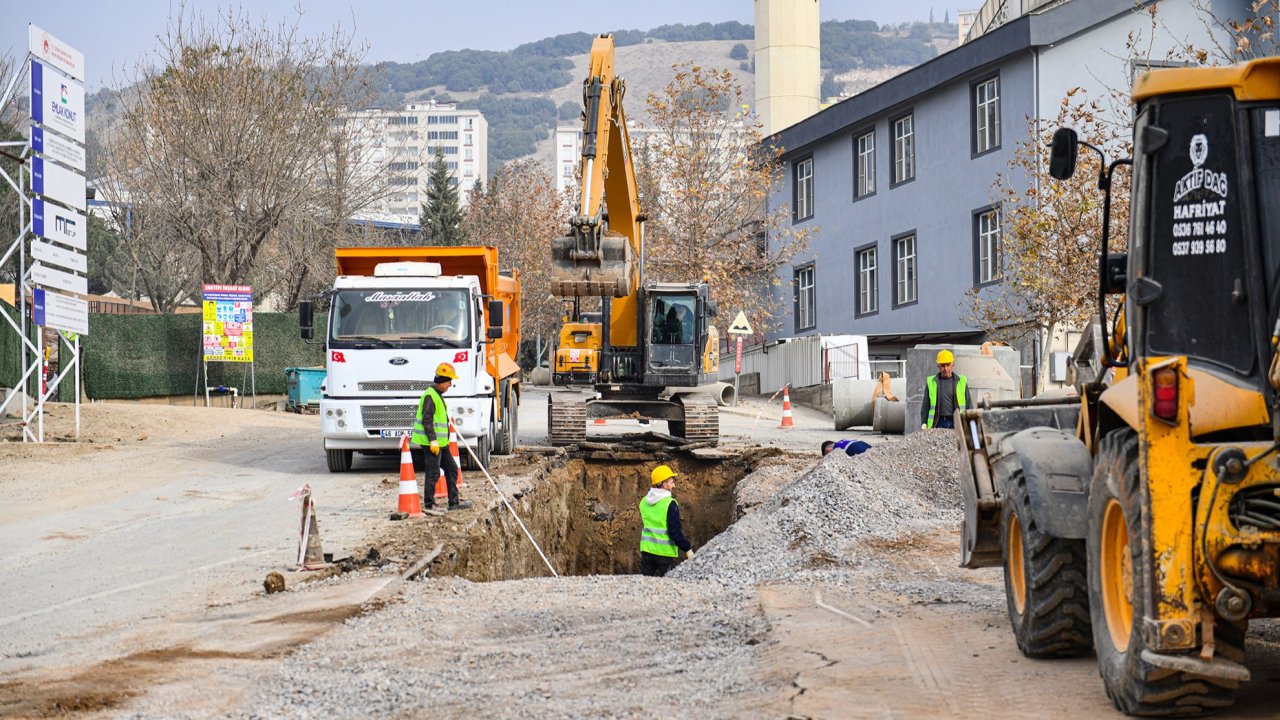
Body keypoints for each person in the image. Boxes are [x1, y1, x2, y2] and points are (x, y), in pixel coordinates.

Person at [411, 362, 472, 512]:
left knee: (451, 468)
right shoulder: (430, 396)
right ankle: (429, 504)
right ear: (441, 381)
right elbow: (427, 420)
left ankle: (454, 502)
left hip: (440, 443)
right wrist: (432, 440)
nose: (450, 384)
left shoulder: (437, 395)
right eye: (449, 381)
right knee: (433, 472)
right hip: (432, 443)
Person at [638, 465, 693, 577]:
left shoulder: (644, 502)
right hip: (664, 554)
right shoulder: (670, 504)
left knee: (644, 587)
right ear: (664, 485)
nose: (674, 485)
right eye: (671, 482)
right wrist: (687, 548)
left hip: (647, 551)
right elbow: (674, 532)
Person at [921, 349, 971, 430]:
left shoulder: (961, 381)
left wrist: (970, 423)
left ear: (953, 365)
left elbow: (969, 405)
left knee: (956, 442)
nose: (946, 368)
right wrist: (924, 422)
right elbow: (925, 405)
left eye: (948, 365)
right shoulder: (931, 382)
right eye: (943, 365)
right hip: (937, 422)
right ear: (938, 366)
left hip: (957, 422)